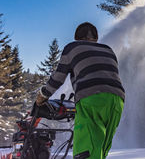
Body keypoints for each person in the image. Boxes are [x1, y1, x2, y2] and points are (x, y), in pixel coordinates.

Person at [36, 22, 125, 159]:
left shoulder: (72, 48)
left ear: (77, 37)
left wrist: (43, 95)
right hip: (117, 100)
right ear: (95, 37)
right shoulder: (108, 49)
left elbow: (58, 78)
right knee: (100, 149)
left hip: (91, 99)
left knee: (86, 151)